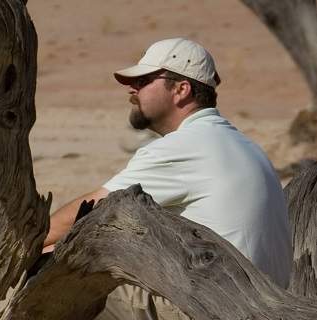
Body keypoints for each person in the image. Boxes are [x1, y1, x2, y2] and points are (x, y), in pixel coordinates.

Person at [44, 38, 292, 318]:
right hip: (258, 304)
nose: (131, 89)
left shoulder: (184, 146)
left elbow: (90, 214)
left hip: (211, 309)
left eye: (144, 80)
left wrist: (28, 244)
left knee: (54, 279)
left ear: (181, 90)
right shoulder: (244, 145)